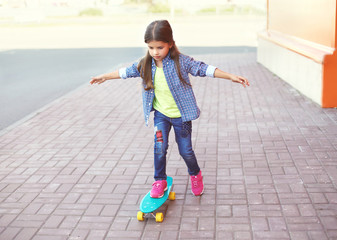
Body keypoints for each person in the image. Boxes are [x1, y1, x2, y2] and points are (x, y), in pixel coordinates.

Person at [90, 20, 249, 198]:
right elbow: (125, 72)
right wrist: (105, 76)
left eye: (160, 47)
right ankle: (160, 180)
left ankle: (195, 174)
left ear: (170, 44)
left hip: (182, 116)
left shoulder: (182, 62)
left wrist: (230, 76)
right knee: (160, 147)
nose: (155, 52)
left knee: (185, 151)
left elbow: (204, 69)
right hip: (161, 116)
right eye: (151, 48)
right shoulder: (145, 64)